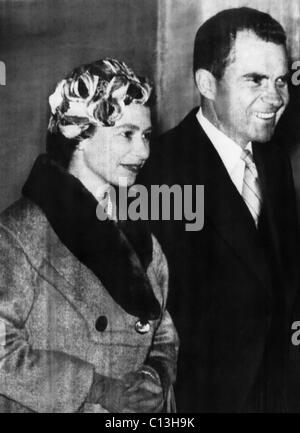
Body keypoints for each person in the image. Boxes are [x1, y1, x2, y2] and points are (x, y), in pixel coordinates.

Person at [139, 7, 300, 412]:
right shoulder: (158, 173)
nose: (276, 97)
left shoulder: (272, 157)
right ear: (207, 83)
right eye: (255, 80)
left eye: (281, 80)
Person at [0, 58, 178, 413]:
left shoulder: (142, 233)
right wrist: (96, 389)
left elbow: (163, 331)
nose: (143, 151)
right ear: (80, 135)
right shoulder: (19, 233)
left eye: (145, 135)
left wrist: (154, 375)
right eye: (126, 134)